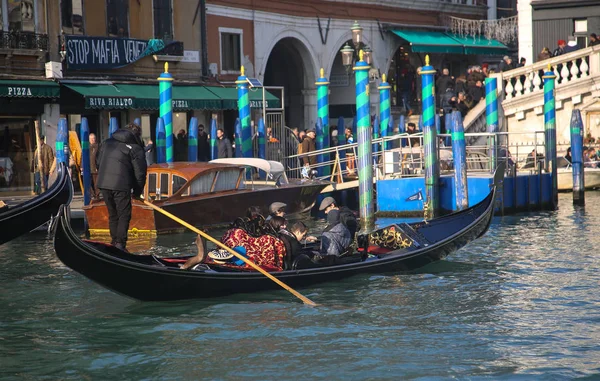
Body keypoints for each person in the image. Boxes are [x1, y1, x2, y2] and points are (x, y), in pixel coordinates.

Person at [96, 123, 147, 252]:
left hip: (103, 183)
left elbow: (98, 161)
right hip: (121, 184)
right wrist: (137, 192)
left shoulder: (106, 142)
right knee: (124, 214)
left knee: (113, 214)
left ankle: (114, 242)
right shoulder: (135, 148)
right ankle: (120, 245)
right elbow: (140, 173)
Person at [89, 133, 100, 199]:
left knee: (96, 182)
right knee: (89, 183)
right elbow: (83, 157)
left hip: (95, 167)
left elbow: (99, 157)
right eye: (91, 139)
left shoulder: (98, 146)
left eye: (93, 138)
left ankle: (97, 195)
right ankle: (92, 194)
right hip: (88, 168)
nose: (92, 140)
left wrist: (97, 166)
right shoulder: (86, 147)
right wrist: (82, 166)